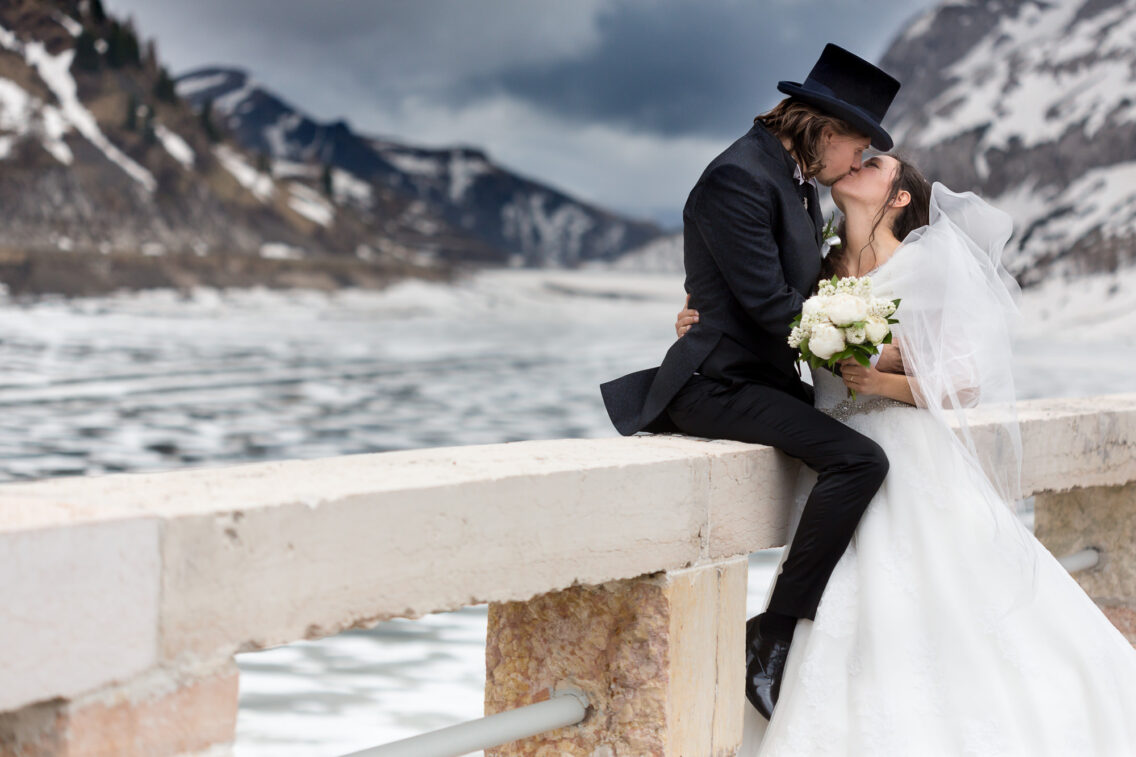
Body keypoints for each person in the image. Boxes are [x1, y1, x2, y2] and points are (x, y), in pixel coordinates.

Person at [679, 154, 1136, 754]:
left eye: (873, 164)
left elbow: (966, 380)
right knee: (840, 598)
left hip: (909, 453)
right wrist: (702, 327)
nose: (854, 164)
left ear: (897, 198)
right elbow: (770, 327)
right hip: (836, 452)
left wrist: (883, 382)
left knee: (932, 598)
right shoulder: (818, 270)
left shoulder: (925, 265)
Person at [599, 43, 903, 718]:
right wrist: (871, 359)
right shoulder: (737, 177)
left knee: (861, 452)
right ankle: (772, 637)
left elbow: (789, 293)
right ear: (825, 132)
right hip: (714, 383)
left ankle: (787, 634)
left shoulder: (789, 178)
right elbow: (772, 306)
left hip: (757, 378)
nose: (858, 163)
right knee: (860, 459)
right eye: (858, 148)